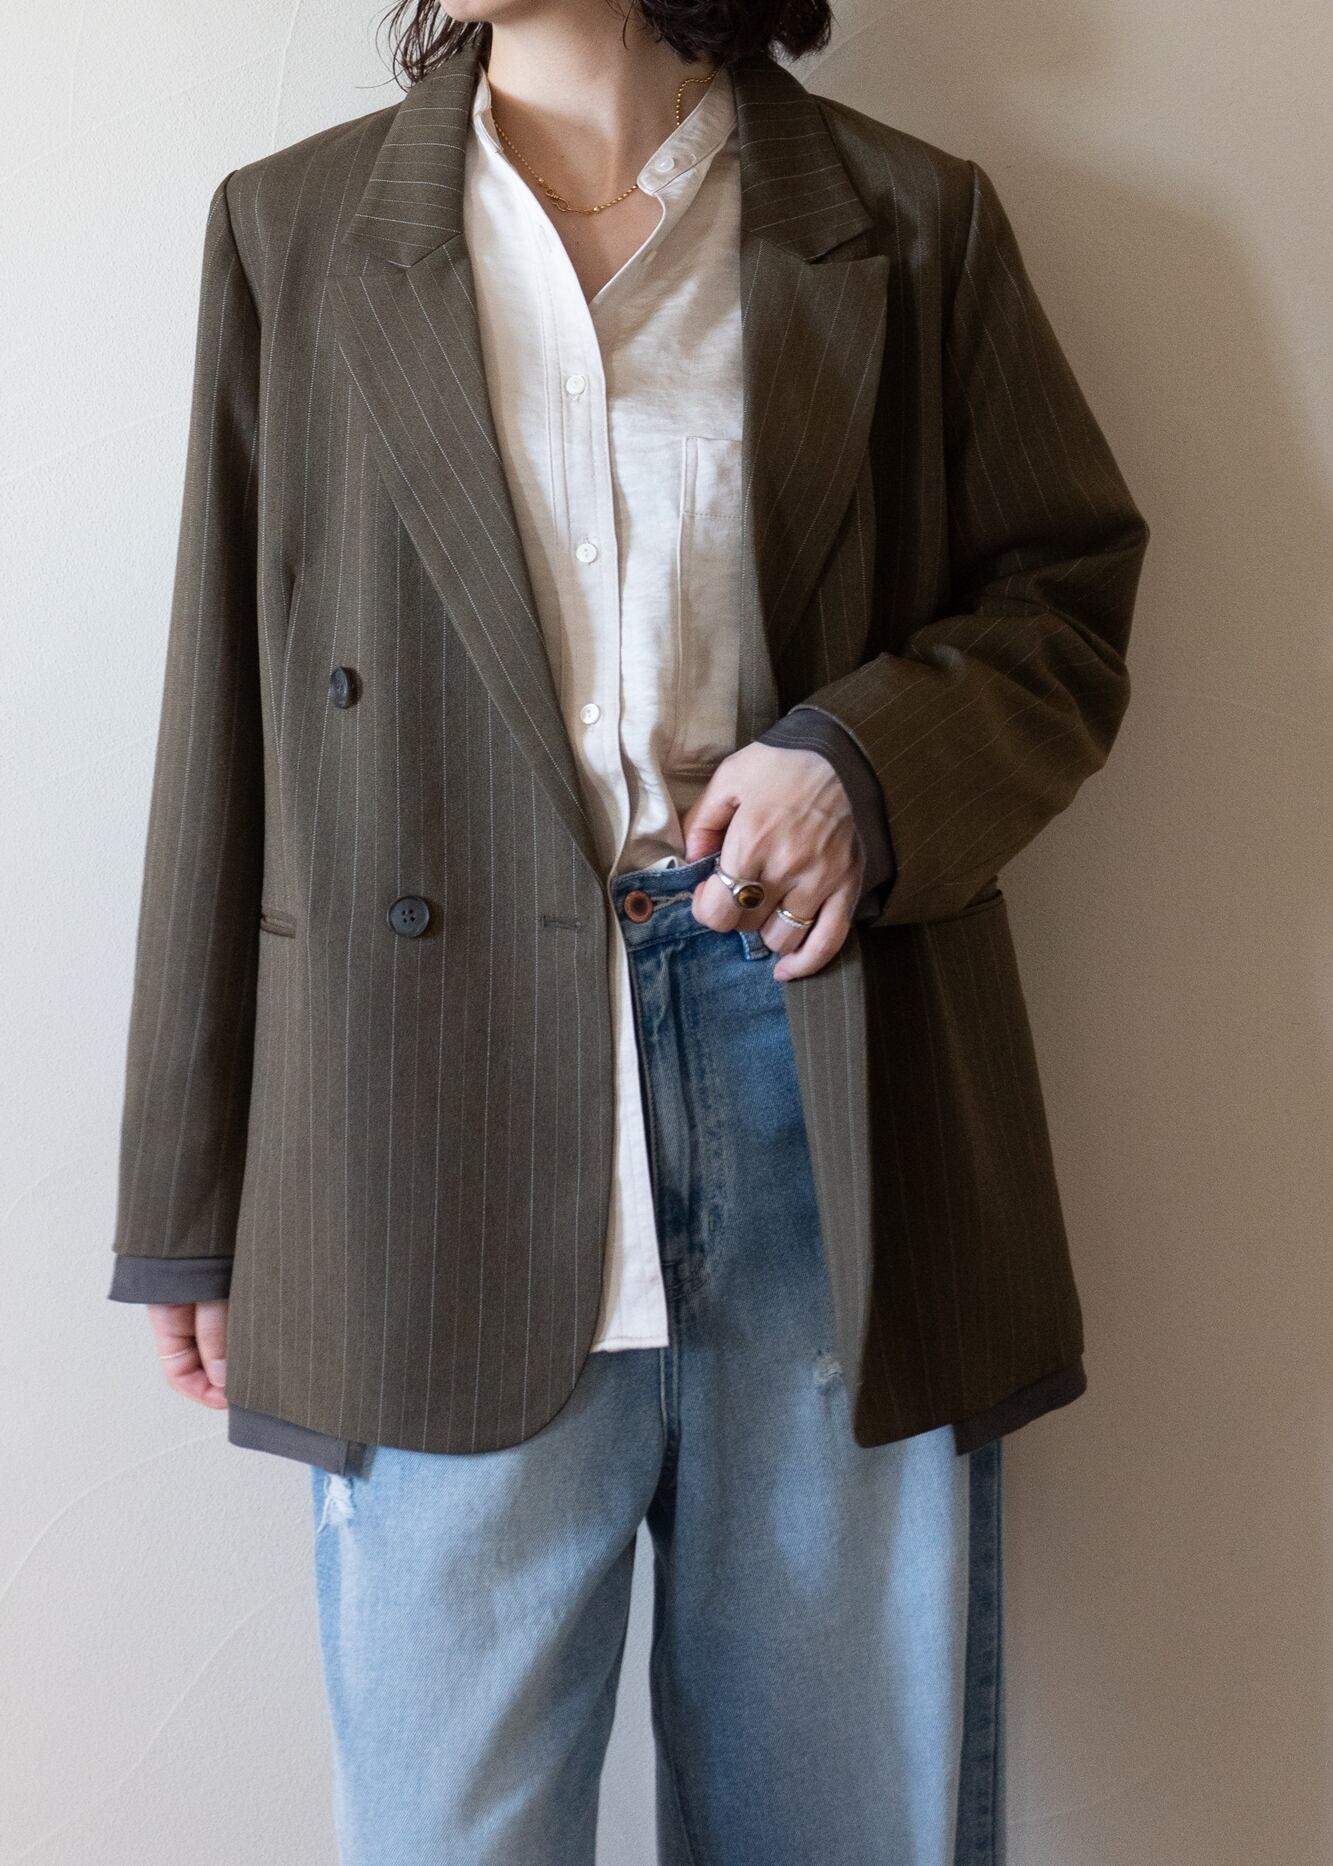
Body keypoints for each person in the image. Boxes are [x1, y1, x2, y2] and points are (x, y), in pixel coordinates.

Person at [107, 1, 1150, 1859]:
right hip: (429, 1128)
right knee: (451, 1827)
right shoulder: (297, 231)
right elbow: (226, 723)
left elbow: (1062, 602)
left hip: (821, 1078)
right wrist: (187, 1197)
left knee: (839, 1824)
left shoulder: (909, 220)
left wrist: (860, 767)